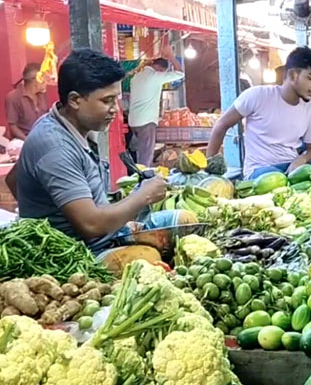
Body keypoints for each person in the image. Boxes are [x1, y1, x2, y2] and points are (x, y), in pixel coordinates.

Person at [7, 49, 175, 254]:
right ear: (75, 100)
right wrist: (144, 196)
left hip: (106, 234)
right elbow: (91, 225)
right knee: (153, 261)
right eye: (107, 101)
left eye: (116, 99)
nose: (115, 108)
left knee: (178, 220)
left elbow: (14, 178)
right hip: (82, 253)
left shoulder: (70, 126)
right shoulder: (55, 146)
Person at [206, 47, 311, 179]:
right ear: (293, 76)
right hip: (260, 170)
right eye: (310, 78)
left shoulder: (310, 107)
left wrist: (301, 160)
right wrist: (210, 171)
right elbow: (221, 125)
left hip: (292, 166)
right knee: (276, 178)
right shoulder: (257, 96)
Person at [128, 44, 184, 166]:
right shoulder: (155, 76)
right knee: (146, 156)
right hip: (146, 121)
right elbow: (180, 74)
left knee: (139, 152)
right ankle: (143, 179)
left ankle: (138, 174)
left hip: (133, 121)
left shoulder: (136, 77)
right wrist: (172, 57)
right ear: (162, 69)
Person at [5, 63, 48, 140]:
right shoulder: (13, 97)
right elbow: (13, 126)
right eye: (44, 78)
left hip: (43, 137)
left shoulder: (42, 94)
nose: (46, 81)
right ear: (36, 81)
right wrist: (27, 140)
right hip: (22, 141)